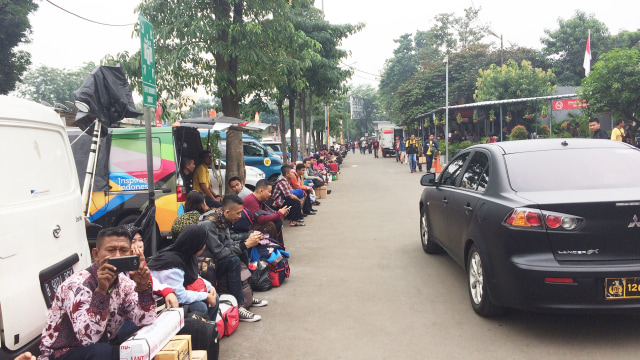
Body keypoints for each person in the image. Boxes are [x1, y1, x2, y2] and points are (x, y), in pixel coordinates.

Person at [39, 227, 156, 360]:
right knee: (102, 351)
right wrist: (101, 291)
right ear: (96, 254)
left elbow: (147, 319)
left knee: (144, 335)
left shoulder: (124, 282)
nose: (117, 256)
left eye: (123, 251)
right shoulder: (76, 286)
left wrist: (142, 287)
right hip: (64, 352)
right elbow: (89, 339)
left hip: (103, 341)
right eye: (111, 250)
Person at [199, 195, 267, 322]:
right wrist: (245, 244)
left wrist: (246, 243)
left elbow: (229, 243)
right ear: (227, 212)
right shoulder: (209, 224)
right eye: (238, 213)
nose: (240, 216)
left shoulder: (223, 220)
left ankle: (247, 295)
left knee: (243, 253)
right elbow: (218, 253)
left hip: (218, 258)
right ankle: (240, 306)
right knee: (234, 260)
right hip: (208, 264)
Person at [148, 225, 219, 319]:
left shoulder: (187, 255)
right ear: (196, 244)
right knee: (199, 307)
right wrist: (205, 296)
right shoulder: (173, 263)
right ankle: (201, 330)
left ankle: (210, 329)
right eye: (203, 243)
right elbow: (179, 296)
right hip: (161, 302)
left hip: (175, 295)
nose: (205, 246)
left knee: (215, 296)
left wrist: (209, 287)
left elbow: (194, 276)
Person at [243, 179, 288, 245]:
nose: (270, 194)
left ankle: (280, 247)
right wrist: (278, 214)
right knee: (270, 225)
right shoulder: (251, 200)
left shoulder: (260, 200)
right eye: (269, 192)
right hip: (248, 227)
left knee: (277, 222)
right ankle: (273, 248)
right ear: (261, 191)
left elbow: (268, 213)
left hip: (254, 223)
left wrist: (281, 214)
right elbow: (261, 219)